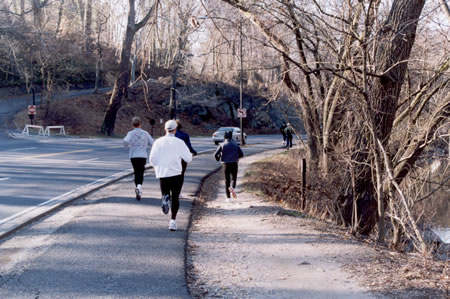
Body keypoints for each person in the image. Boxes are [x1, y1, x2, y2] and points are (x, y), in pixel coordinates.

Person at [149, 119, 192, 231]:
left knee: (165, 192)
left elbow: (152, 159)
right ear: (175, 129)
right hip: (176, 172)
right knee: (176, 197)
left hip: (163, 173)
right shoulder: (179, 142)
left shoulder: (158, 142)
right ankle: (172, 221)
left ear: (165, 129)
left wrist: (157, 167)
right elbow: (188, 158)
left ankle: (165, 198)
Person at [123, 116, 154, 201]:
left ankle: (137, 187)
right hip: (142, 155)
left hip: (133, 156)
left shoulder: (130, 133)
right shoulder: (145, 133)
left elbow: (125, 141)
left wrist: (127, 146)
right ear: (140, 124)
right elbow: (152, 143)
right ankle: (139, 186)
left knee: (136, 172)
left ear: (132, 124)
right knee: (141, 172)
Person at [214, 131, 244, 202]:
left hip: (225, 164)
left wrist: (219, 157)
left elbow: (215, 155)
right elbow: (241, 154)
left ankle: (228, 198)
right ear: (231, 136)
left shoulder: (222, 144)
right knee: (234, 178)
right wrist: (236, 157)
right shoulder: (236, 144)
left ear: (224, 137)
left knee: (227, 180)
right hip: (234, 163)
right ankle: (232, 187)